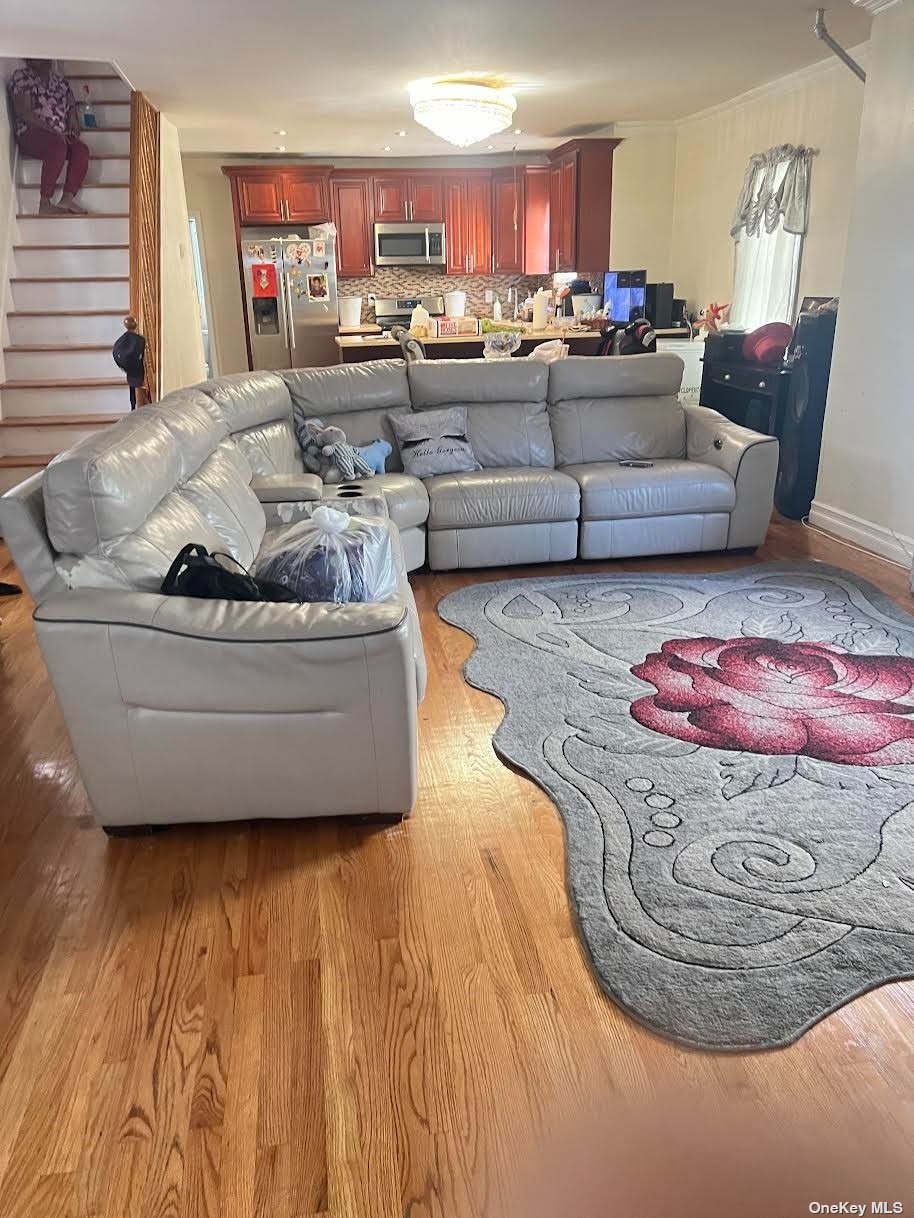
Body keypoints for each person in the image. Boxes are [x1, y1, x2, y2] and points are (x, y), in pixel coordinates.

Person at [7, 59, 90, 214]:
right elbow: (23, 112)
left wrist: (73, 120)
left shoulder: (61, 83)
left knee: (81, 150)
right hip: (31, 132)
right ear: (30, 60)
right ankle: (44, 202)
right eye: (39, 57)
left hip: (59, 135)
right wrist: (51, 130)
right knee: (58, 145)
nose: (45, 60)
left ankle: (66, 201)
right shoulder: (21, 77)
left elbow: (71, 107)